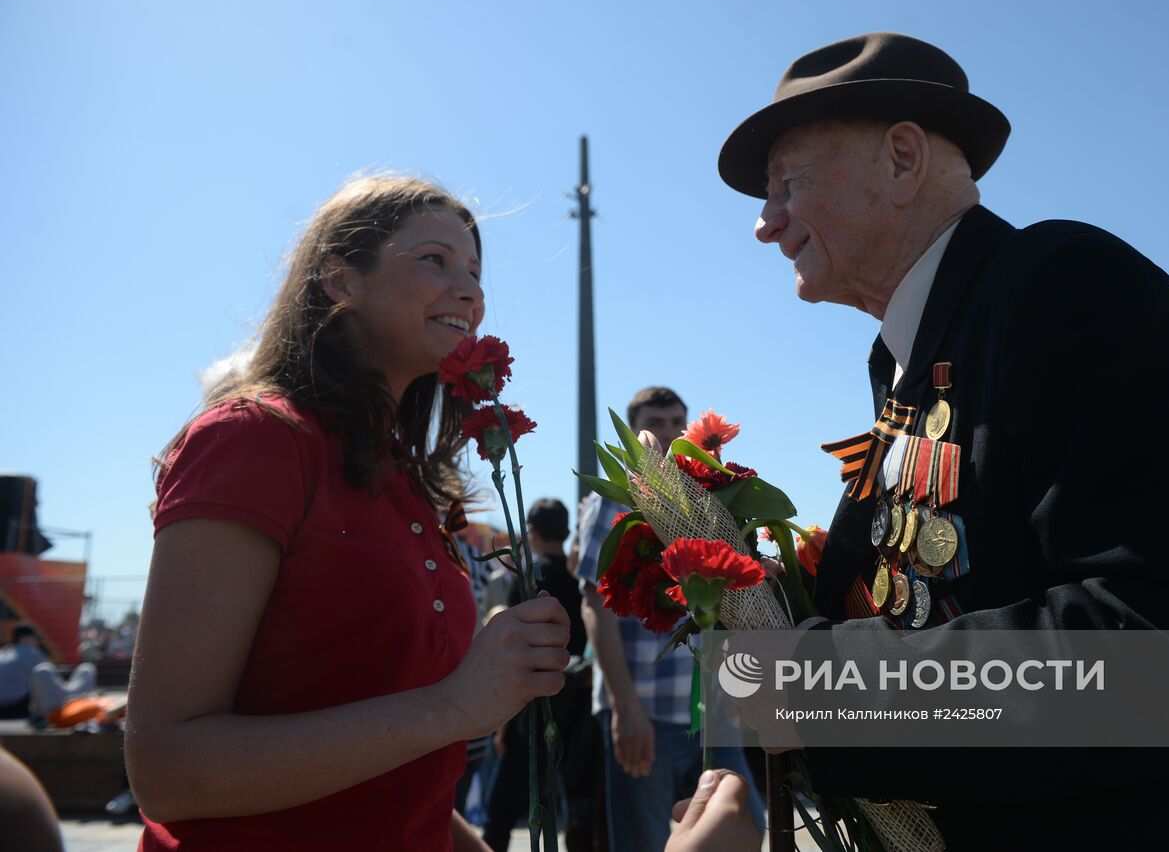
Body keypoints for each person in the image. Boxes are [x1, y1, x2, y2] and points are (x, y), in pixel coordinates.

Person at [717, 32, 1169, 849]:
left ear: (903, 159)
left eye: (787, 182)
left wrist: (830, 687)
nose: (767, 224)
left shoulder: (1063, 283)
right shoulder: (916, 355)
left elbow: (1168, 640)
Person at [124, 174, 572, 851]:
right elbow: (165, 771)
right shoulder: (252, 439)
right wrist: (454, 707)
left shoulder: (411, 482)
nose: (472, 291)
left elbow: (393, 780)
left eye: (476, 272)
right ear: (340, 281)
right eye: (434, 260)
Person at [576, 386, 763, 852]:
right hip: (646, 709)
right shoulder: (615, 503)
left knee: (748, 827)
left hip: (711, 710)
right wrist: (623, 707)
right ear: (633, 429)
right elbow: (594, 605)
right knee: (643, 841)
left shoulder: (699, 495)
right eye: (654, 423)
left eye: (676, 423)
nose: (667, 433)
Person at [483, 498, 597, 852]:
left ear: (531, 531)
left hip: (532, 703)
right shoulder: (580, 576)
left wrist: (503, 722)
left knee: (501, 810)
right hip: (578, 704)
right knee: (577, 808)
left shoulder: (529, 576)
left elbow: (517, 655)